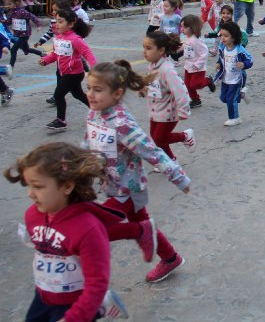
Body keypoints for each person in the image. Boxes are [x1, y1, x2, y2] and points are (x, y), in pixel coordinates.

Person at [83, 61, 192, 283]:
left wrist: (178, 177)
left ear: (117, 94)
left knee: (94, 227)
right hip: (111, 184)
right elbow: (88, 141)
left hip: (128, 188)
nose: (91, 94)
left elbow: (150, 150)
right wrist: (77, 166)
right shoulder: (94, 114)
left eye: (98, 89)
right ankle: (170, 258)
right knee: (142, 220)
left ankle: (89, 280)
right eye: (89, 88)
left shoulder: (121, 123)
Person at [4, 143, 129, 321]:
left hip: (76, 301)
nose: (30, 194)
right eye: (28, 186)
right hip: (43, 294)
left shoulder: (89, 229)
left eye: (38, 186)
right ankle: (101, 307)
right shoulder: (32, 215)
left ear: (67, 186)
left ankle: (98, 308)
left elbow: (96, 283)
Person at [39, 8, 96, 131]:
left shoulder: (75, 39)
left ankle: (61, 120)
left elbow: (87, 53)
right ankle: (97, 109)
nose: (57, 24)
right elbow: (55, 54)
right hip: (64, 72)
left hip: (74, 73)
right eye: (56, 21)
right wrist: (46, 60)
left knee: (58, 95)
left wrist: (95, 67)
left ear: (70, 24)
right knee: (78, 94)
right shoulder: (58, 38)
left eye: (60, 22)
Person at [142, 31, 195, 158]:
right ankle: (170, 160)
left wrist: (183, 110)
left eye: (148, 48)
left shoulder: (167, 69)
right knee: (156, 137)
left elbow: (180, 90)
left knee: (159, 138)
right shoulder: (152, 65)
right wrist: (144, 88)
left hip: (168, 111)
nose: (144, 51)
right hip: (156, 109)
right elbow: (155, 84)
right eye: (144, 47)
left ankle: (184, 136)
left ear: (161, 50)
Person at [211, 22, 254, 126]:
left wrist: (244, 64)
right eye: (221, 35)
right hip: (226, 78)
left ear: (234, 37)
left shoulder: (240, 50)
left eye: (226, 36)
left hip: (236, 79)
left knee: (230, 99)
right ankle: (241, 94)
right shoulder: (222, 47)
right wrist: (218, 63)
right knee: (223, 98)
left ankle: (235, 118)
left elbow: (250, 59)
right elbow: (221, 58)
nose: (223, 38)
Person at [181, 15, 216, 108]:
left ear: (192, 27)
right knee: (188, 85)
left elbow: (204, 52)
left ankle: (208, 80)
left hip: (198, 68)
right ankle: (196, 100)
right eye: (181, 26)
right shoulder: (187, 37)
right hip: (188, 66)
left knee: (195, 84)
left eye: (184, 27)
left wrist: (198, 64)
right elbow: (185, 46)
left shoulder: (196, 40)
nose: (182, 29)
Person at [3, 0, 43, 67]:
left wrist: (39, 25)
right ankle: (41, 53)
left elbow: (32, 17)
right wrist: (2, 21)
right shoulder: (12, 12)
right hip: (19, 34)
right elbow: (8, 22)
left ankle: (11, 66)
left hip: (24, 34)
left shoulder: (22, 12)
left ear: (16, 3)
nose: (8, 6)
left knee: (13, 49)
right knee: (26, 50)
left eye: (10, 4)